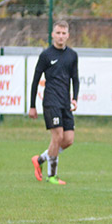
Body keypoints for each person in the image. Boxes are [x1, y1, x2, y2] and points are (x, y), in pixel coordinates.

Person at [28, 20, 79, 185]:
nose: (61, 36)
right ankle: (52, 176)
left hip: (65, 102)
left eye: (64, 33)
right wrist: (32, 106)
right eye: (58, 33)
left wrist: (75, 98)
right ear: (52, 34)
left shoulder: (72, 55)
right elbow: (35, 81)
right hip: (51, 101)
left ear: (68, 35)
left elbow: (75, 79)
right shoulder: (46, 55)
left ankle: (40, 159)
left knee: (68, 139)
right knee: (57, 136)